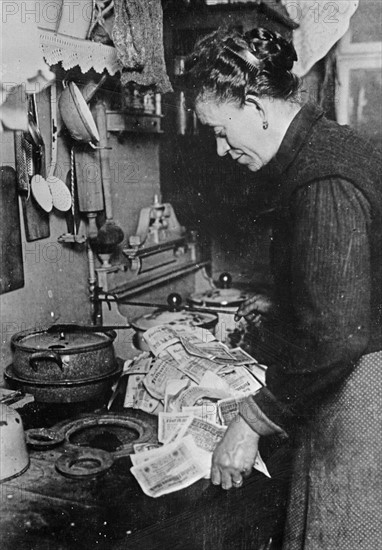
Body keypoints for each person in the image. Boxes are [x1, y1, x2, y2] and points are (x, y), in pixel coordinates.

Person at [183, 27, 382, 550]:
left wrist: (250, 422)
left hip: (361, 395)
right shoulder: (328, 146)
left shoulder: (322, 181)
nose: (223, 151)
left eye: (223, 131)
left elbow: (336, 337)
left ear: (255, 105)